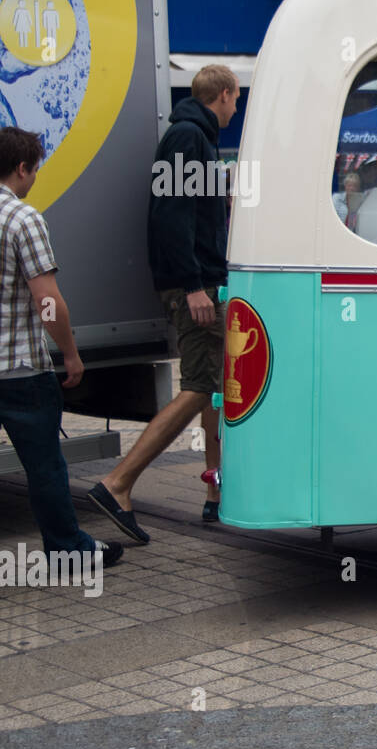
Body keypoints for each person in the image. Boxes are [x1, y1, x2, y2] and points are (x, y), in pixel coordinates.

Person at [89, 65, 240, 539]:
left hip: (202, 282)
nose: (237, 107)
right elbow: (171, 219)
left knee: (215, 383)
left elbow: (192, 214)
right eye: (236, 98)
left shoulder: (197, 139)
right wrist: (193, 284)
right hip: (194, 287)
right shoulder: (188, 138)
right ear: (224, 94)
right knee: (200, 385)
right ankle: (118, 482)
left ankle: (216, 492)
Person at [0, 127, 123, 567]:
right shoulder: (23, 219)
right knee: (44, 466)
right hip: (20, 372)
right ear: (21, 168)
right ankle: (67, 549)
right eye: (35, 169)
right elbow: (47, 301)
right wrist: (70, 353)